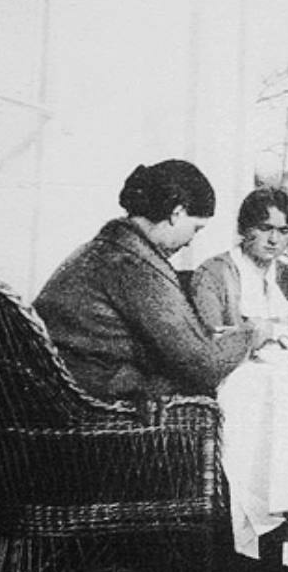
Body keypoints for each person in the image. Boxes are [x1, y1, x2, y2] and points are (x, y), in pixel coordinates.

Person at [35, 160, 269, 401]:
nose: (190, 241)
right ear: (176, 213)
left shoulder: (103, 249)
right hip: (90, 406)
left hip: (60, 391)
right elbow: (203, 367)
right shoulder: (133, 264)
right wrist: (250, 335)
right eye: (196, 229)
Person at [190, 187, 288, 343]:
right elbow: (211, 339)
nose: (273, 239)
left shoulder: (284, 274)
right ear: (244, 228)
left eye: (284, 231)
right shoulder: (213, 273)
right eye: (265, 228)